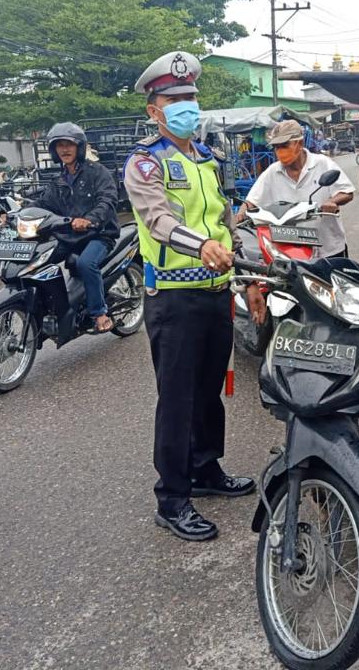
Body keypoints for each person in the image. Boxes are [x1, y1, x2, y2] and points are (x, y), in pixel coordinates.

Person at [124, 51, 266, 542]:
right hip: (173, 299)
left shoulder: (206, 159)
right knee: (177, 399)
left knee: (211, 390)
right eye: (174, 99)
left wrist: (249, 260)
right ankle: (173, 497)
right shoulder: (145, 163)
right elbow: (158, 220)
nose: (186, 105)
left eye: (190, 97)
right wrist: (202, 246)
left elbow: (225, 221)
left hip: (213, 294)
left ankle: (206, 470)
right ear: (154, 110)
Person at [36, 123, 120, 333]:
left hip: (99, 234)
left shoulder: (97, 172)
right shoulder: (59, 180)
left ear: (79, 147)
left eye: (69, 145)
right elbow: (43, 203)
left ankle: (99, 312)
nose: (64, 149)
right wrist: (19, 212)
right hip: (70, 236)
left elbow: (107, 199)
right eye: (59, 145)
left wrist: (90, 219)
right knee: (37, 260)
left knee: (85, 263)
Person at [239, 120, 355, 258]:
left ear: (299, 143)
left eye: (284, 146)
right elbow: (252, 200)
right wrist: (240, 214)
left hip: (329, 248)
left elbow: (347, 191)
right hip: (290, 251)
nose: (280, 151)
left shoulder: (322, 163)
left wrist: (332, 201)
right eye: (276, 147)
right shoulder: (272, 172)